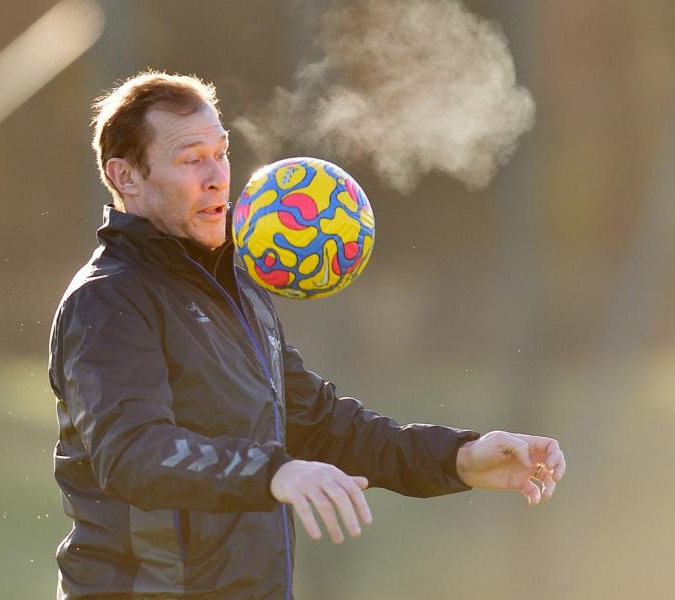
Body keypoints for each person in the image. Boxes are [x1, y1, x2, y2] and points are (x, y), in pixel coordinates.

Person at [48, 70, 566, 600]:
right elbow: (133, 452)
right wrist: (275, 471)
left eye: (221, 153)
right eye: (190, 159)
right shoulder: (108, 300)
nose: (217, 177)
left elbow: (322, 425)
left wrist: (460, 457)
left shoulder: (236, 288)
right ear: (126, 176)